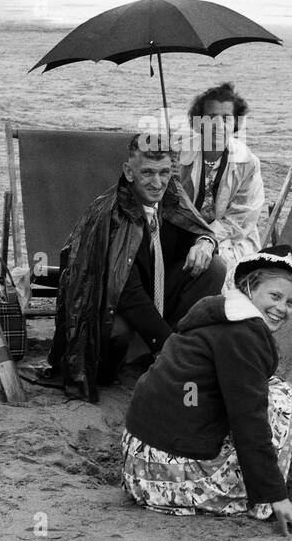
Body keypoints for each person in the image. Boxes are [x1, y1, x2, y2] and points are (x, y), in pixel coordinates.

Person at [122, 247, 292, 536]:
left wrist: (289, 386)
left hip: (139, 463)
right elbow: (248, 419)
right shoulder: (245, 333)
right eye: (275, 296)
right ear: (250, 287)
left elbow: (231, 379)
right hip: (172, 479)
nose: (283, 309)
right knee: (279, 403)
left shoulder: (218, 310)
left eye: (291, 302)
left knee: (272, 388)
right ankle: (264, 501)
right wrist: (275, 495)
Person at [30, 134, 227, 401]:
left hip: (154, 296)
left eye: (164, 172)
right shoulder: (108, 215)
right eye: (147, 172)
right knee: (116, 333)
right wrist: (166, 345)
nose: (157, 183)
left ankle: (171, 347)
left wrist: (204, 242)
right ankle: (136, 360)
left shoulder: (172, 197)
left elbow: (195, 229)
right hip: (107, 307)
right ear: (128, 172)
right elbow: (126, 292)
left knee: (213, 266)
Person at [178, 82, 266, 270]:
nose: (218, 125)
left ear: (236, 122)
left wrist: (208, 240)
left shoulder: (248, 162)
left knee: (216, 265)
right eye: (210, 117)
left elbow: (240, 217)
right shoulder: (179, 155)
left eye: (226, 117)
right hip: (183, 235)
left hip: (230, 239)